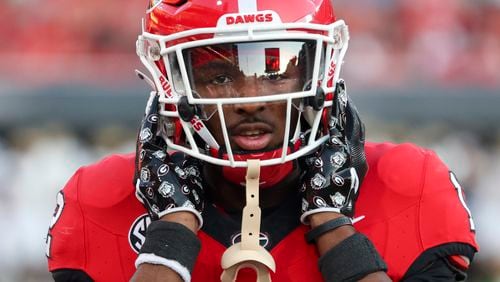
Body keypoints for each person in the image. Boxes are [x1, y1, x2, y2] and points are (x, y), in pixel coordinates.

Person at [46, 0, 478, 281]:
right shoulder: (97, 200)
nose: (251, 99)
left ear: (321, 70)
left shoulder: (410, 183)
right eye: (219, 76)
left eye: (275, 70)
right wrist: (171, 235)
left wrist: (333, 226)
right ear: (170, 82)